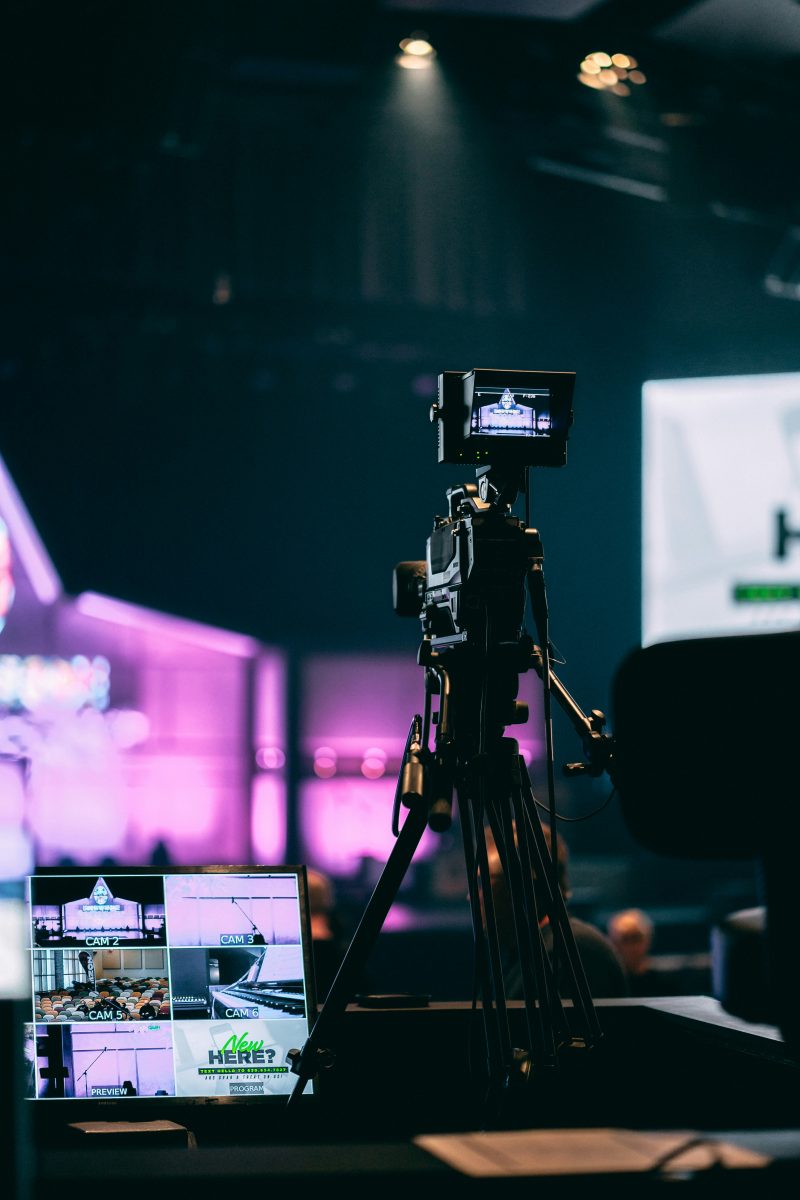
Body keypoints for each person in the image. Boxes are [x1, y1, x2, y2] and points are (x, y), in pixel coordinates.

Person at [487, 822, 628, 1001]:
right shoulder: (523, 954)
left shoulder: (574, 950)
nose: (472, 896)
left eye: (485, 881)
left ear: (522, 885)